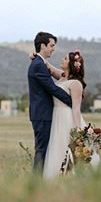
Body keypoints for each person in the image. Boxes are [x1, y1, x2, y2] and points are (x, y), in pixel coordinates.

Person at [27, 32, 73, 173]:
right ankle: (36, 183)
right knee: (42, 150)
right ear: (43, 46)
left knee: (45, 150)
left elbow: (59, 77)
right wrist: (72, 102)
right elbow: (52, 88)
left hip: (43, 114)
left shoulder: (40, 63)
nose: (53, 49)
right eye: (51, 45)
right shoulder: (38, 65)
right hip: (42, 114)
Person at [42, 50, 88, 179]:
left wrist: (78, 132)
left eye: (65, 58)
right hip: (57, 118)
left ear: (72, 64)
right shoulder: (62, 77)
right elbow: (49, 68)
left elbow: (76, 109)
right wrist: (37, 56)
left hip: (67, 120)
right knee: (56, 150)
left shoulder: (75, 84)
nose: (62, 60)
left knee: (65, 150)